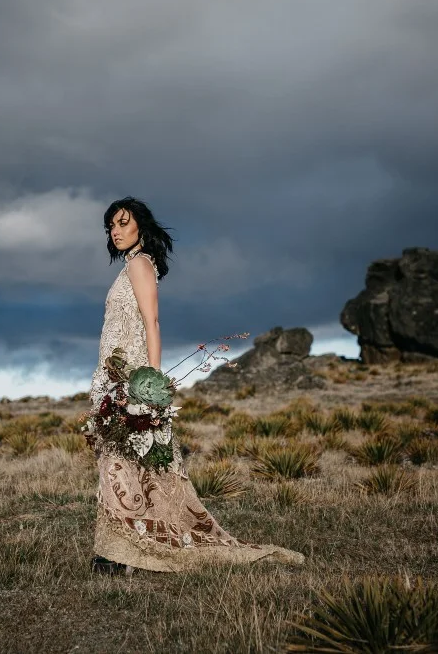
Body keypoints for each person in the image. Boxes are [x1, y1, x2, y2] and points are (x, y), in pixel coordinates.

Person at [88, 197, 305, 575]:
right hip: (115, 376)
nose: (116, 231)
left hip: (132, 379)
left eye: (123, 223)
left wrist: (149, 384)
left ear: (141, 226)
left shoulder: (140, 264)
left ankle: (126, 548)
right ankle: (125, 544)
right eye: (111, 226)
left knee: (124, 459)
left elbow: (151, 323)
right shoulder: (129, 268)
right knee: (124, 459)